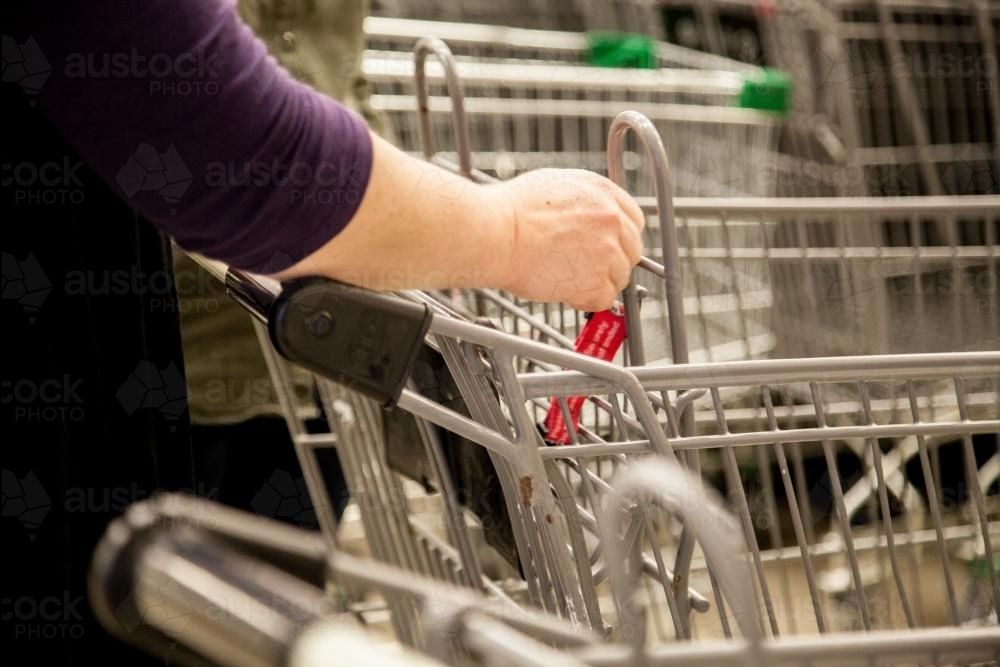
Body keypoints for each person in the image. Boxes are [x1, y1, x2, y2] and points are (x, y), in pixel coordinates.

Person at [3, 1, 643, 664]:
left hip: (315, 354)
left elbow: (331, 86)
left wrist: (409, 241)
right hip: (198, 358)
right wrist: (502, 230)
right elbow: (225, 141)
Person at [175, 0, 389, 527]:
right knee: (169, 589)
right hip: (199, 343)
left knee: (290, 579)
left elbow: (349, 83)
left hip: (328, 336)